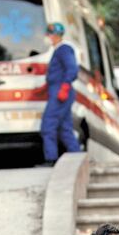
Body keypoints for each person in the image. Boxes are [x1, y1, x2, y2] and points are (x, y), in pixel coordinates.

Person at [38, 22, 80, 168]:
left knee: (48, 125)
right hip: (59, 91)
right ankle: (77, 158)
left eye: (49, 34)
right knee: (65, 128)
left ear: (54, 35)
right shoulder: (59, 50)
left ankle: (51, 159)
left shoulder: (63, 49)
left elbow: (72, 69)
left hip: (61, 93)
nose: (48, 37)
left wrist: (65, 86)